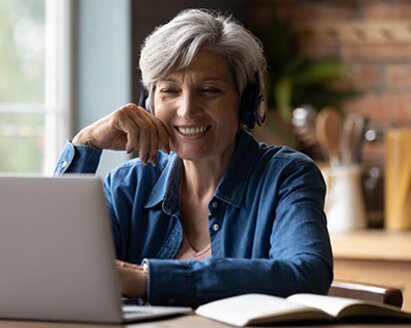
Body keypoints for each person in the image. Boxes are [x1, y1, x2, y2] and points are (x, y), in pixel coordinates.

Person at [54, 8, 333, 307]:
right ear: (148, 104)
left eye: (210, 90)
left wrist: (149, 280)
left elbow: (306, 272)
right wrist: (86, 145)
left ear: (246, 103)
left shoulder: (287, 176)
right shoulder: (127, 185)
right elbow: (54, 267)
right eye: (169, 91)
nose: (187, 109)